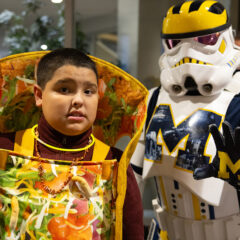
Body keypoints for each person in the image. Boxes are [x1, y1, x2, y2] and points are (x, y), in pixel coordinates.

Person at [0, 48, 144, 239]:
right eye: (65, 89)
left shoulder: (114, 162)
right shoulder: (6, 149)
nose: (78, 100)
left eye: (88, 91)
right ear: (39, 95)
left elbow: (132, 232)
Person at [130, 1, 240, 240]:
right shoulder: (153, 100)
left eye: (206, 40)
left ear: (227, 38)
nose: (188, 52)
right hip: (165, 232)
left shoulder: (237, 98)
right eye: (175, 43)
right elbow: (133, 177)